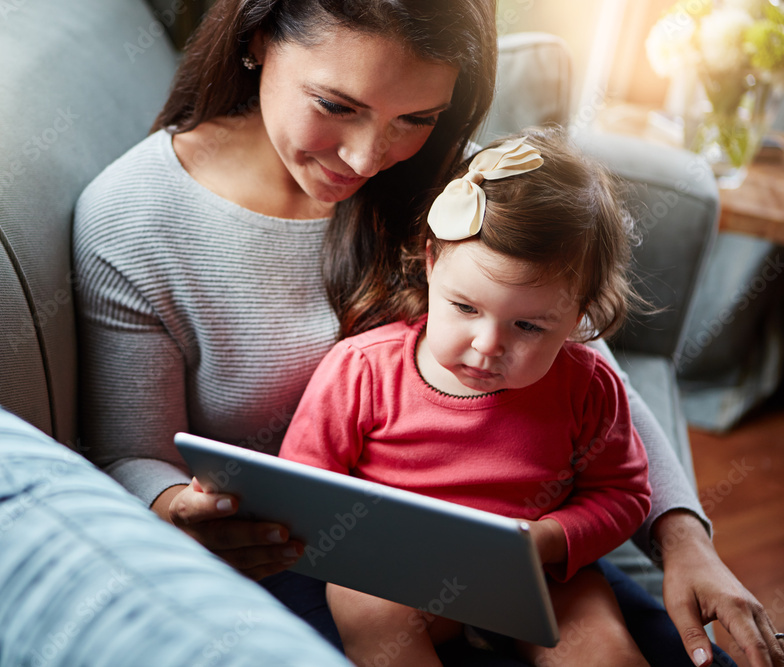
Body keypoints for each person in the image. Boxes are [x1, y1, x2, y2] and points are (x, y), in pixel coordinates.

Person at [72, 0, 784, 664]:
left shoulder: (457, 181)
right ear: (257, 38)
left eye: (416, 117)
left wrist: (685, 535)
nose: (365, 156)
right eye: (335, 105)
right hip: (314, 562)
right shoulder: (134, 218)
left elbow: (584, 364)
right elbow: (132, 452)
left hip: (525, 552)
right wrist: (179, 509)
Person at [278, 128, 654, 665]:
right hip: (397, 572)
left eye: (528, 326)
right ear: (431, 262)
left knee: (605, 651)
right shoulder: (363, 370)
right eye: (465, 308)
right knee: (365, 604)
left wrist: (549, 539)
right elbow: (302, 489)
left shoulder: (587, 387)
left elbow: (623, 495)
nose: (488, 345)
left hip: (537, 574)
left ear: (580, 315)